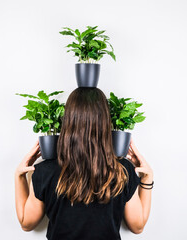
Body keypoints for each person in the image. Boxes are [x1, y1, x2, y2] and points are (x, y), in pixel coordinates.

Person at [15, 87, 154, 240]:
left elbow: (26, 223)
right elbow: (138, 226)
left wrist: (19, 176)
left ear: (67, 121)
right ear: (105, 123)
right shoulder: (123, 170)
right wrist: (147, 178)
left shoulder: (44, 171)